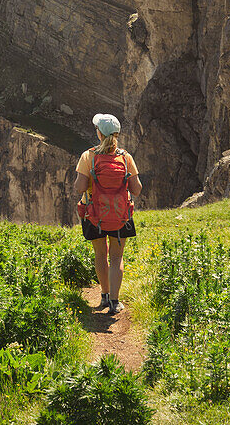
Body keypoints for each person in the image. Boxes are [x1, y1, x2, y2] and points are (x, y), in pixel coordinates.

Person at [73, 113, 142, 316]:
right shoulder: (125, 157)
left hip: (94, 214)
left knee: (100, 254)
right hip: (121, 215)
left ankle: (103, 295)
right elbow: (136, 189)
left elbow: (79, 187)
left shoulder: (89, 156)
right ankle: (114, 302)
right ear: (117, 134)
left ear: (99, 134)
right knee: (117, 256)